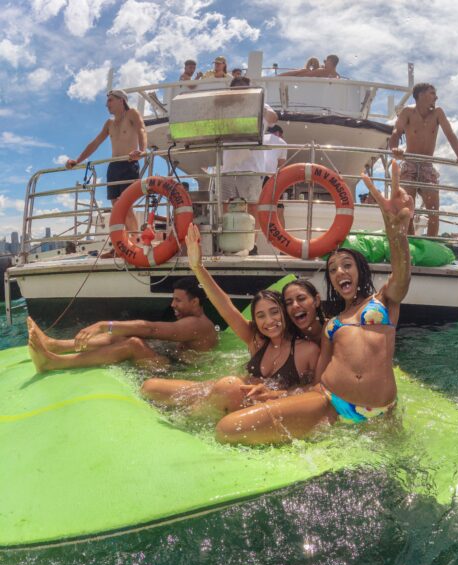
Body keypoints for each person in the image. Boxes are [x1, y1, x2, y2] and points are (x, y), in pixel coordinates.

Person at [214, 160, 413, 445]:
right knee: (228, 428)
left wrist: (397, 234)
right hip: (330, 401)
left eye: (346, 266)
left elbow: (403, 276)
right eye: (332, 270)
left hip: (379, 408)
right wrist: (280, 395)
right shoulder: (332, 324)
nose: (340, 272)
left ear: (361, 271)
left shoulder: (383, 301)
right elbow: (316, 383)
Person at [141, 225, 320, 414]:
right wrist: (198, 267)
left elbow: (316, 391)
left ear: (285, 312)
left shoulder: (307, 350)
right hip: (230, 393)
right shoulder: (256, 340)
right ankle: (192, 411)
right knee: (150, 387)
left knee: (227, 387)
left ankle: (189, 415)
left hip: (259, 405)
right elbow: (226, 308)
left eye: (274, 312)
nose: (269, 320)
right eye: (260, 315)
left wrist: (276, 395)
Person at [27, 278, 218, 373]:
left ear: (195, 303)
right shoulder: (193, 320)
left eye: (178, 301)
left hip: (178, 373)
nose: (172, 305)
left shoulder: (198, 324)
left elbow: (150, 328)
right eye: (172, 299)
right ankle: (57, 345)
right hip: (174, 361)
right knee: (120, 336)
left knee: (133, 344)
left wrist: (103, 325)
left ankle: (55, 362)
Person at [388, 82, 458, 237]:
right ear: (421, 94)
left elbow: (450, 134)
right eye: (432, 93)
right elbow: (397, 131)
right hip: (410, 163)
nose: (436, 97)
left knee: (433, 211)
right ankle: (408, 242)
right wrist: (394, 149)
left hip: (427, 166)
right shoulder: (408, 112)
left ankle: (432, 243)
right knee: (406, 209)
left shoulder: (438, 113)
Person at [65, 90, 147, 234]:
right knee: (116, 209)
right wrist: (77, 161)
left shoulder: (132, 114)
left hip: (129, 164)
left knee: (126, 207)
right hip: (114, 167)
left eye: (110, 100)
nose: (106, 105)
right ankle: (121, 246)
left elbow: (142, 129)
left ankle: (135, 242)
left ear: (121, 100)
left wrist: (142, 151)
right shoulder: (109, 123)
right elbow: (96, 142)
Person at [220, 77, 278, 214]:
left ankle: (253, 236)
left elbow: (273, 118)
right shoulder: (225, 108)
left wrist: (256, 104)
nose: (241, 92)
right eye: (237, 89)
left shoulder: (261, 104)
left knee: (252, 206)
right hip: (227, 167)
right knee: (224, 204)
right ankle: (225, 234)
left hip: (251, 167)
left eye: (244, 88)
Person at [282, 279, 325, 345]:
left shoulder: (335, 329)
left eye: (301, 298)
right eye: (288, 303)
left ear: (316, 300)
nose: (294, 305)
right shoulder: (286, 341)